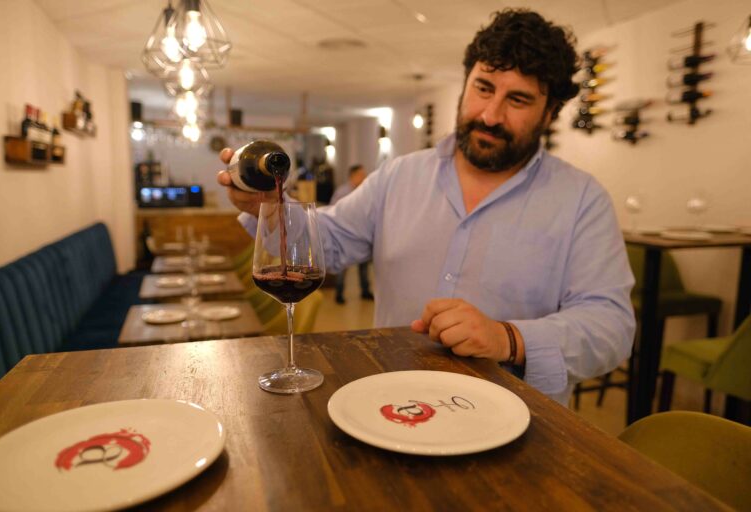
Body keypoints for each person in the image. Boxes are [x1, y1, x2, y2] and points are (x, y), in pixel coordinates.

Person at [216, 9, 635, 405]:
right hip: (391, 404)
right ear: (466, 80)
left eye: (519, 100)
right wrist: (267, 206)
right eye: (483, 88)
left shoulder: (582, 200)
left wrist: (509, 338)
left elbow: (611, 326)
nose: (490, 115)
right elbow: (329, 241)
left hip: (519, 428)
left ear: (550, 114)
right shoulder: (399, 176)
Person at [329, 164, 373, 304]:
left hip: (363, 233)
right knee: (343, 267)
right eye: (361, 174)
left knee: (364, 266)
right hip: (345, 234)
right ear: (352, 176)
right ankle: (339, 293)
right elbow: (332, 211)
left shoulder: (367, 192)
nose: (364, 177)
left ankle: (365, 291)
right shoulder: (342, 192)